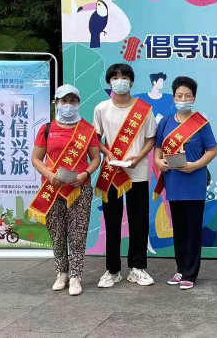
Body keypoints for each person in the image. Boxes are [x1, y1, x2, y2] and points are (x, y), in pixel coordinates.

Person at [30, 84, 101, 296]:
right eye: (63, 101)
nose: (68, 105)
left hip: (79, 189)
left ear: (78, 103)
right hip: (52, 189)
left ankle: (76, 276)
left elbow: (95, 158)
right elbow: (36, 158)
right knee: (57, 233)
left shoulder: (87, 130)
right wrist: (49, 175)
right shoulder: (47, 129)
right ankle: (62, 272)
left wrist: (85, 174)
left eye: (72, 101)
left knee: (78, 234)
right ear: (56, 103)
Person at [93, 63, 157, 288]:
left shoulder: (144, 109)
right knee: (112, 221)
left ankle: (137, 268)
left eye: (124, 77)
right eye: (115, 77)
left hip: (138, 172)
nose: (120, 81)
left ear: (131, 81)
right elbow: (96, 139)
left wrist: (140, 156)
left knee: (138, 221)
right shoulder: (101, 108)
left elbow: (151, 138)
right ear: (109, 82)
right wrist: (107, 152)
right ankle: (112, 270)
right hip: (112, 172)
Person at [154, 76, 217, 290]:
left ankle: (190, 273)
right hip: (174, 183)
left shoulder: (201, 123)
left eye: (188, 96)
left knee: (192, 231)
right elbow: (157, 148)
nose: (183, 100)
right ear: (173, 97)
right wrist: (158, 161)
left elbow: (212, 150)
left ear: (194, 98)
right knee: (179, 230)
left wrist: (195, 165)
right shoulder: (165, 122)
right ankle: (180, 269)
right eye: (179, 96)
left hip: (194, 183)